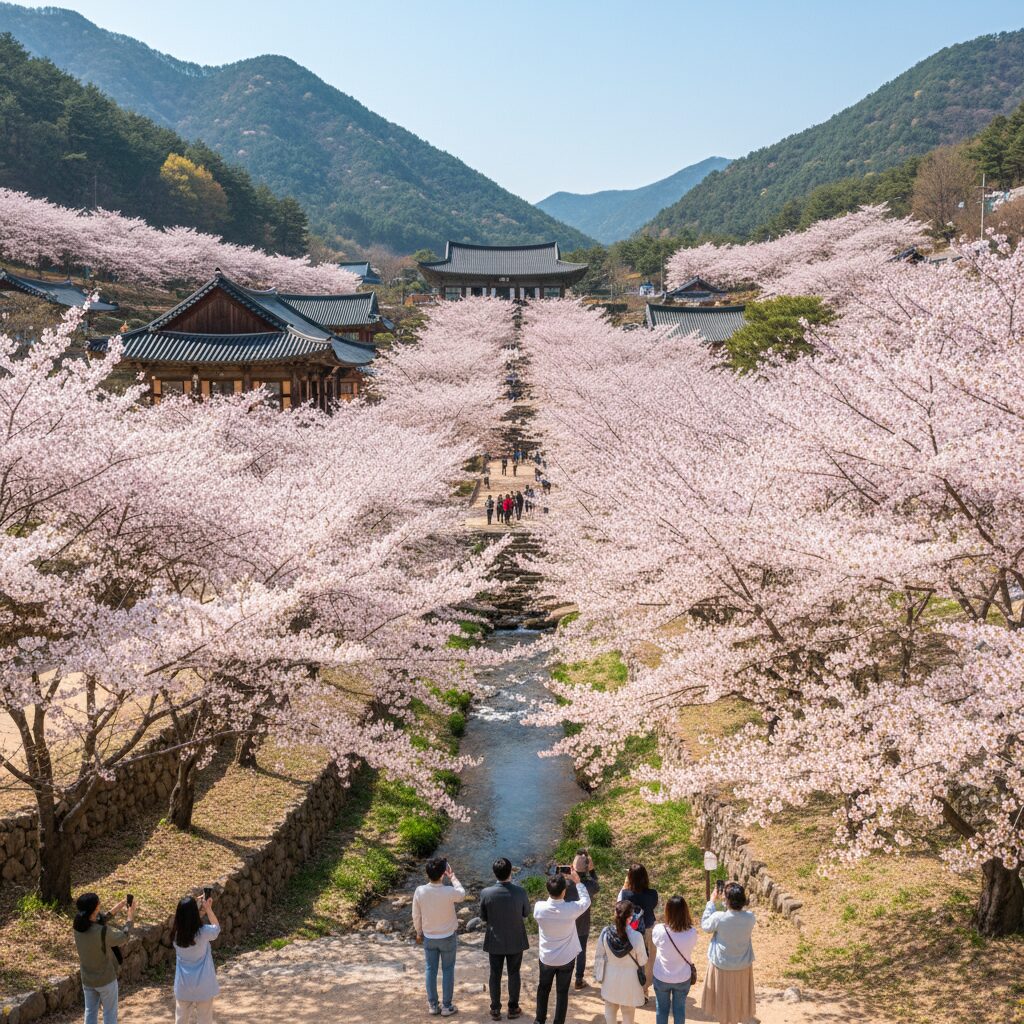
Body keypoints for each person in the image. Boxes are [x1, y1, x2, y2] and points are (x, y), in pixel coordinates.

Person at [533, 866, 591, 1024]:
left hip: (547, 958)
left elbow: (549, 902)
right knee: (562, 992)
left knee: (543, 989)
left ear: (548, 890)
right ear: (564, 891)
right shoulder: (571, 909)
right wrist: (578, 882)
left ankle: (539, 1021)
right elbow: (586, 901)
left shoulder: (539, 908)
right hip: (566, 959)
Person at [413, 856, 466, 1016]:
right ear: (443, 873)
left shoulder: (420, 891)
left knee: (430, 969)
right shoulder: (449, 891)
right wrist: (453, 877)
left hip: (429, 937)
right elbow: (462, 894)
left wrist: (418, 932)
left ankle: (433, 1005)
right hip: (448, 937)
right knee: (448, 970)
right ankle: (447, 1006)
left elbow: (416, 915)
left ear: (427, 873)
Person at [73, 891, 136, 1024]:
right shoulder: (102, 932)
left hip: (88, 979)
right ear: (95, 908)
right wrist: (130, 918)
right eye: (98, 903)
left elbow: (98, 920)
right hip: (106, 979)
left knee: (90, 1011)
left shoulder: (78, 926)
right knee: (109, 1013)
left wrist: (117, 908)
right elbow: (123, 937)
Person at [479, 857, 529, 1021]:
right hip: (515, 939)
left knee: (495, 974)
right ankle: (513, 1008)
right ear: (511, 871)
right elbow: (526, 913)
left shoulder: (486, 893)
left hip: (495, 939)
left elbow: (483, 917)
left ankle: (495, 1009)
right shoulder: (520, 892)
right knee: (514, 973)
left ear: (494, 873)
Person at [700, 882, 755, 1024]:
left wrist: (712, 901)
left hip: (722, 966)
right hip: (743, 966)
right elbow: (738, 915)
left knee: (723, 1004)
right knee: (738, 1001)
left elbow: (705, 926)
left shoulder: (719, 917)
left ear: (727, 900)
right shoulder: (750, 917)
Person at [594, 899, 647, 1024]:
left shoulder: (605, 933)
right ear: (630, 917)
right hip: (630, 980)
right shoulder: (637, 937)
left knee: (610, 1010)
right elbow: (643, 960)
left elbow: (599, 955)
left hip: (610, 978)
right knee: (628, 1014)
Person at [172, 893, 221, 1024]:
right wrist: (208, 909)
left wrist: (198, 910)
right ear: (195, 913)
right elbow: (216, 929)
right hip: (204, 985)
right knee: (204, 1019)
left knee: (181, 1019)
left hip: (183, 986)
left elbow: (188, 925)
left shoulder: (176, 936)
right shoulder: (204, 932)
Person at [651, 896, 698, 1024]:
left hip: (661, 976)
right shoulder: (692, 932)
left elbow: (655, 942)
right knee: (679, 1010)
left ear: (667, 911)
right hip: (682, 977)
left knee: (661, 1009)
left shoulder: (659, 930)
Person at [618, 863, 658, 996]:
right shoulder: (652, 894)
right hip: (648, 930)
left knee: (633, 960)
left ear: (630, 878)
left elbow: (620, 907)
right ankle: (644, 990)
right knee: (647, 961)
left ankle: (633, 989)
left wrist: (625, 886)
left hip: (631, 932)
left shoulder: (625, 894)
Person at [564, 850, 600, 989]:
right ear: (587, 868)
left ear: (572, 867)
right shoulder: (589, 886)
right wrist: (592, 871)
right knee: (581, 951)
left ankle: (565, 979)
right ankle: (579, 979)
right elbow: (596, 884)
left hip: (567, 923)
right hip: (583, 924)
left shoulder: (565, 883)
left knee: (568, 951)